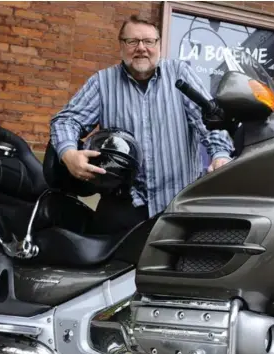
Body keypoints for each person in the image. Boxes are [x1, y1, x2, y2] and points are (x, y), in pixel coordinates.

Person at [50, 15, 234, 234]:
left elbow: (211, 122)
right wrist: (69, 153)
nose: (141, 48)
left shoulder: (179, 74)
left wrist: (220, 154)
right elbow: (66, 120)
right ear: (121, 45)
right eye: (132, 41)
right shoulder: (103, 82)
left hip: (178, 204)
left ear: (158, 45)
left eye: (148, 41)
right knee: (105, 264)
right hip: (124, 203)